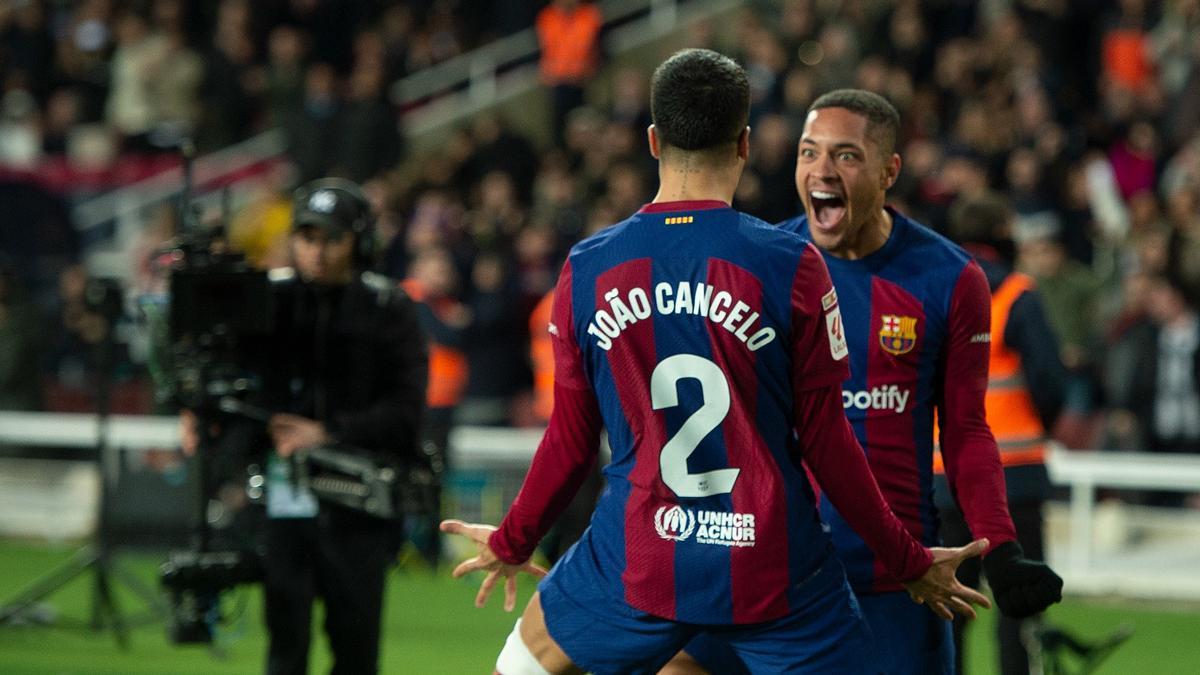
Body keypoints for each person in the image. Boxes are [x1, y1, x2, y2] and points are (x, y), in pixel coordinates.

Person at [441, 49, 991, 675]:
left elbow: (570, 440)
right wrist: (910, 560)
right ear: (746, 144)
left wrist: (513, 541)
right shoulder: (791, 264)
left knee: (519, 666)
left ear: (652, 140)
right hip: (774, 568)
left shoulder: (587, 267)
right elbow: (828, 443)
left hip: (639, 551)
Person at [676, 89, 1064, 675]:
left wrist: (1001, 547)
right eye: (809, 153)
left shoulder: (948, 278)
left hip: (896, 581)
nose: (822, 171)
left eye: (846, 156)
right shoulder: (758, 263)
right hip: (769, 568)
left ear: (889, 172)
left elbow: (964, 431)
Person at [181, 177, 428, 674]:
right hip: (282, 498)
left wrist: (329, 432)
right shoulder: (270, 301)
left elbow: (405, 411)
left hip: (359, 504)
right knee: (284, 647)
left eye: (332, 239)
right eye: (308, 237)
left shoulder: (388, 308)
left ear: (358, 242)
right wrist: (199, 411)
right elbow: (223, 373)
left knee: (356, 649)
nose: (318, 251)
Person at [939, 192, 1068, 675]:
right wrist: (1038, 427)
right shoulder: (1018, 295)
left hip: (944, 477)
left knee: (948, 610)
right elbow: (1051, 382)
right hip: (1015, 474)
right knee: (1018, 605)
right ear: (1003, 235)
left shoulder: (936, 290)